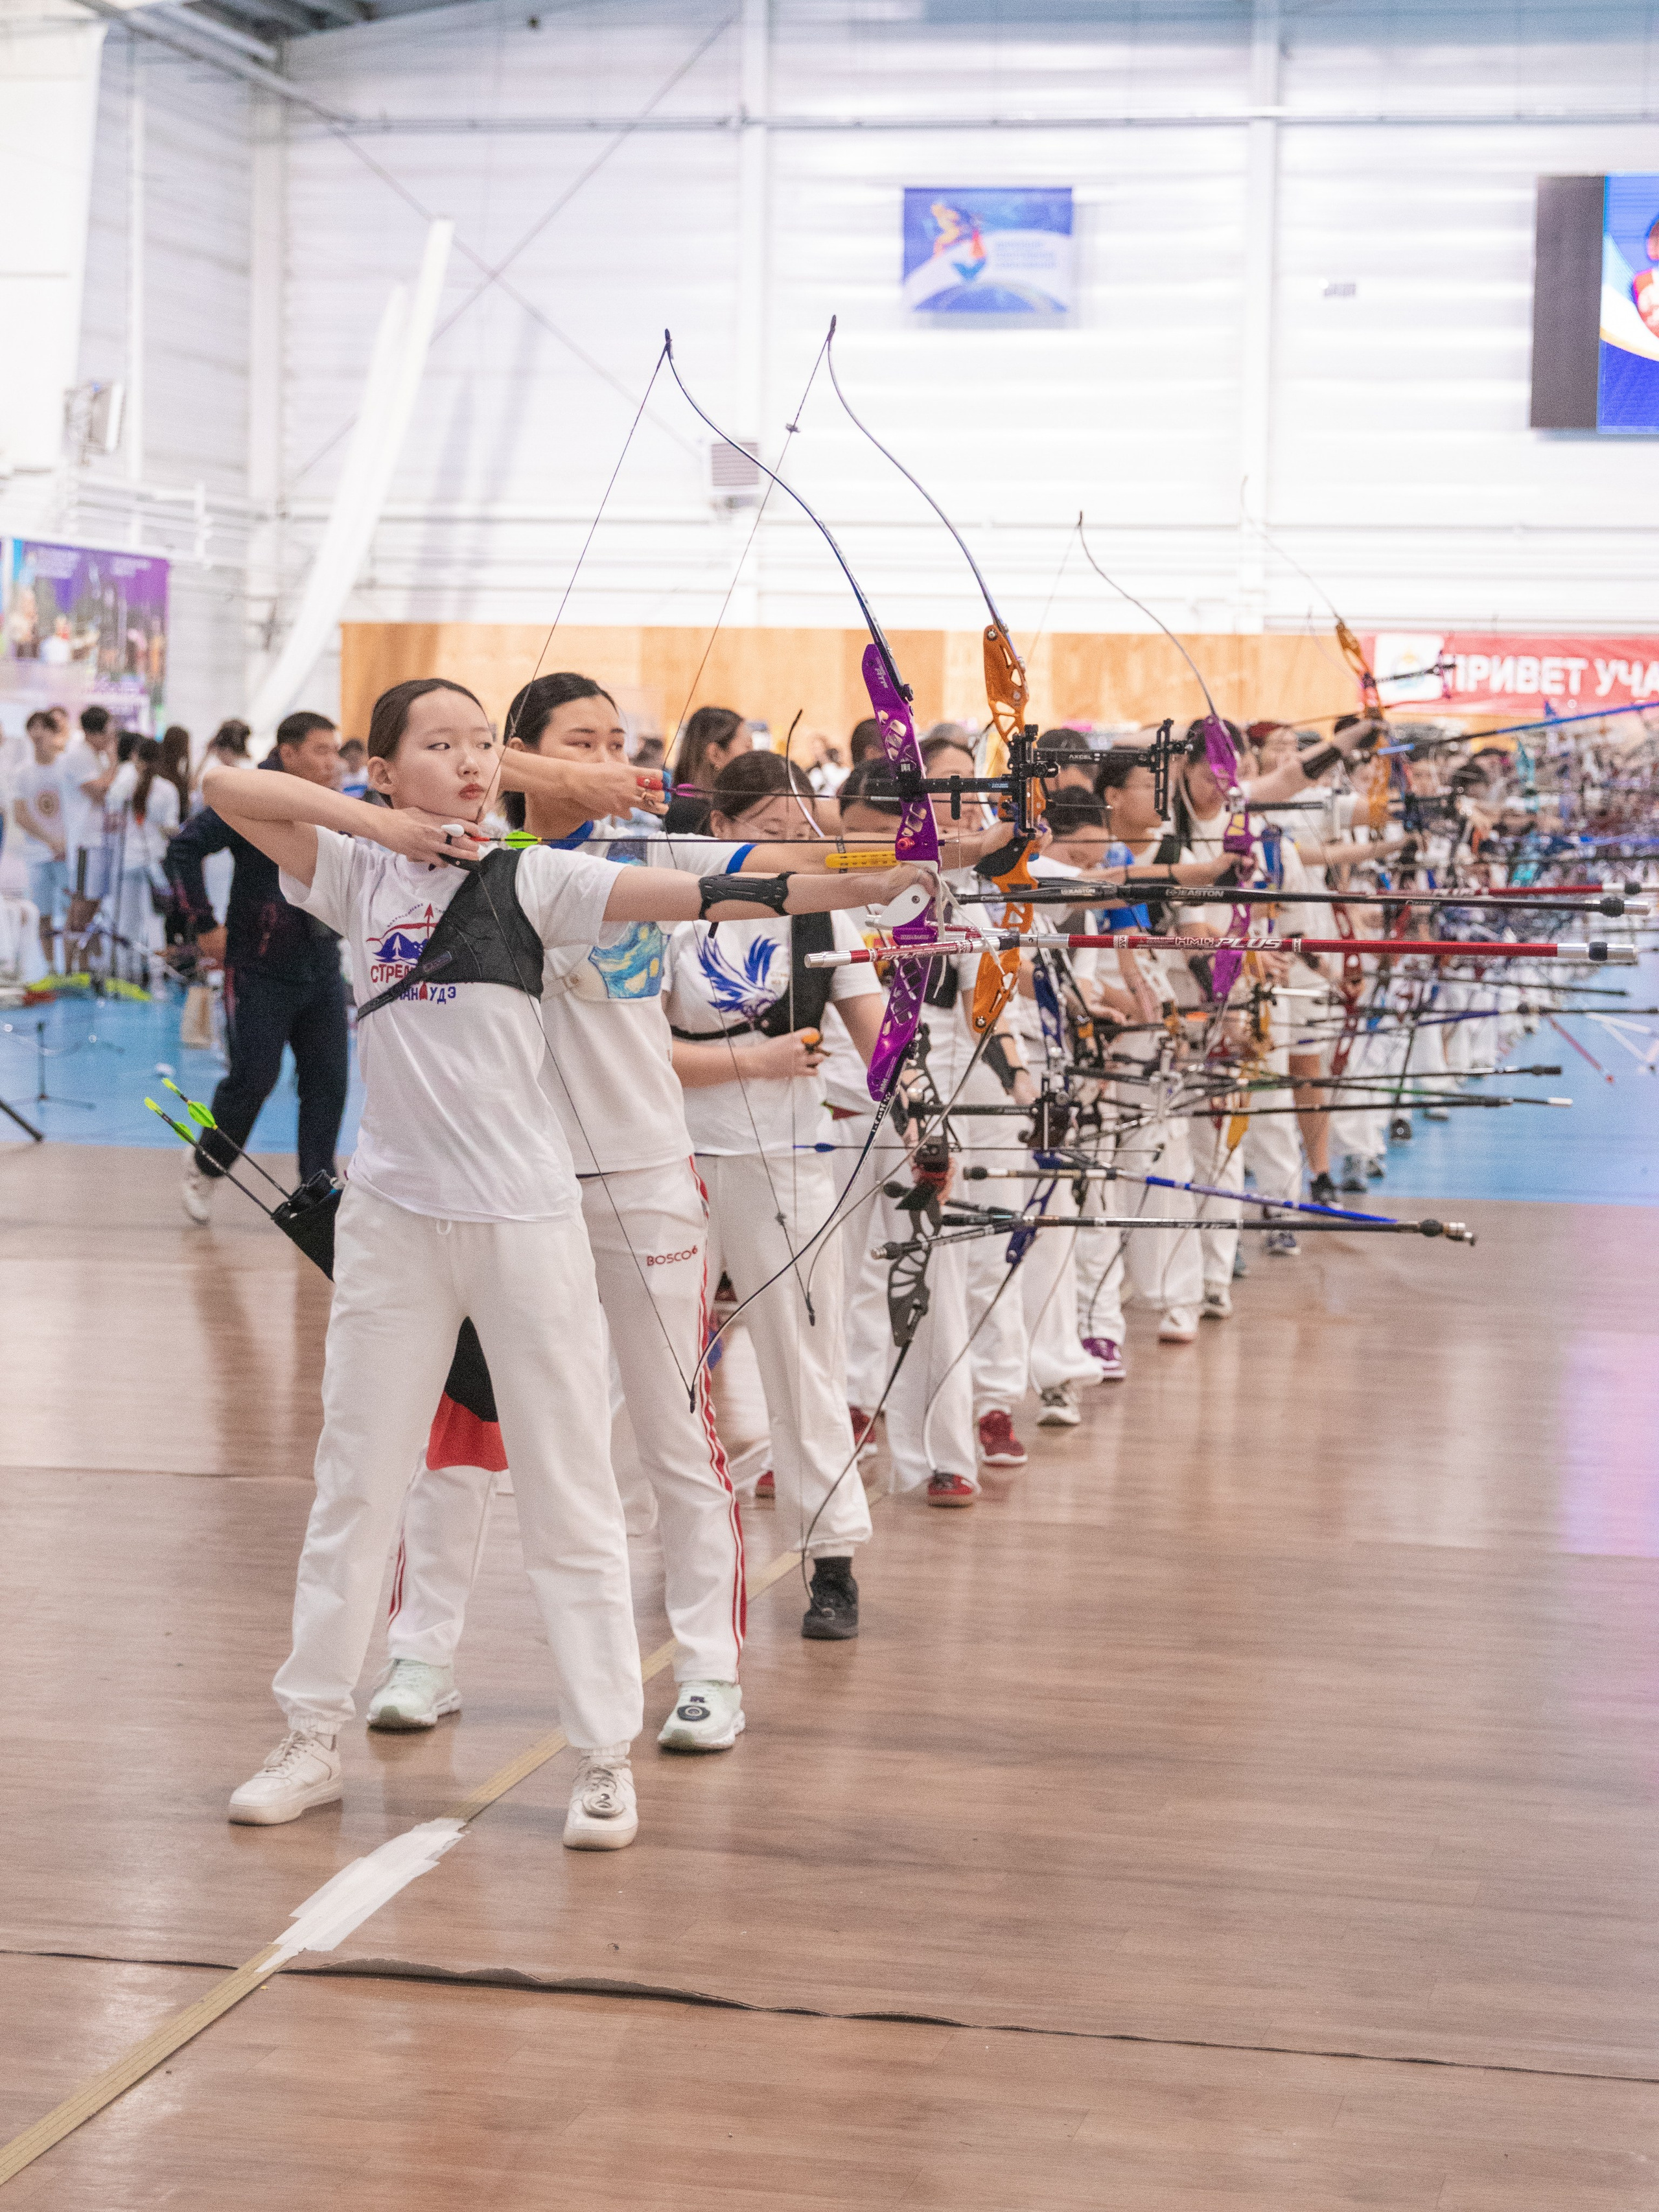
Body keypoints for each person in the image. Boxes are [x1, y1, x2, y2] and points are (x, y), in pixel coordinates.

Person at [204, 675, 914, 1841]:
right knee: (358, 1481)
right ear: (385, 768)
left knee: (573, 1489)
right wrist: (376, 825)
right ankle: (310, 1731)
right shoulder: (352, 869)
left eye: (486, 745)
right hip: (393, 1221)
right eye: (442, 746)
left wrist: (880, 876)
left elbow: (726, 885)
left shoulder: (535, 877)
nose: (473, 763)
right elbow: (224, 783)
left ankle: (600, 1754)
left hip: (527, 1221)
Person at [376, 672, 795, 1746]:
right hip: (501, 1190)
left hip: (645, 1179)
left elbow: (788, 872)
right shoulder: (444, 853)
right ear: (519, 749)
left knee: (672, 1432)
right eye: (583, 742)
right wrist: (544, 774)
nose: (615, 759)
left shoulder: (654, 855)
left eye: (621, 739)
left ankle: (709, 1668)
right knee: (462, 1432)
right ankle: (422, 1653)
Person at [663, 750, 890, 1636]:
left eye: (804, 833)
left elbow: (879, 1046)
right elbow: (643, 1050)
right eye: (768, 833)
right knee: (653, 1364)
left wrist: (915, 1098)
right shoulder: (676, 913)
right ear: (719, 832)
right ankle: (670, 1543)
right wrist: (748, 1060)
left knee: (805, 1360)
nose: (793, 849)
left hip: (789, 1161)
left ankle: (830, 1560)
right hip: (671, 1159)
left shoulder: (828, 915)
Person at [166, 711, 350, 1218]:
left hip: (321, 965)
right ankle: (206, 1165)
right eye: (321, 750)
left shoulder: (334, 800)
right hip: (258, 967)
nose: (332, 761)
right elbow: (183, 848)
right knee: (253, 1078)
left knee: (328, 1079)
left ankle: (318, 1193)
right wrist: (203, 924)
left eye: (335, 751)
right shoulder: (252, 793)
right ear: (288, 752)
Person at [108, 737, 181, 976]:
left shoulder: (127, 781)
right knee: (154, 922)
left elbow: (111, 805)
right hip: (153, 863)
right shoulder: (165, 788)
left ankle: (124, 971)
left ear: (135, 757)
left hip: (134, 862)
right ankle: (156, 973)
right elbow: (171, 828)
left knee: (128, 921)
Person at [11, 711, 68, 970]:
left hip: (67, 852)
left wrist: (65, 841)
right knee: (42, 913)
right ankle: (49, 966)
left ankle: (72, 966)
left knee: (72, 913)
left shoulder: (65, 767)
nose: (37, 734)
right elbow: (21, 814)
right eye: (32, 728)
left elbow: (78, 809)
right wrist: (49, 840)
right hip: (37, 853)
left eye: (42, 728)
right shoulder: (22, 772)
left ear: (53, 733)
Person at [664, 704, 750, 832]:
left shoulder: (688, 805)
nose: (753, 756)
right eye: (748, 747)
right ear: (716, 754)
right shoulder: (689, 813)